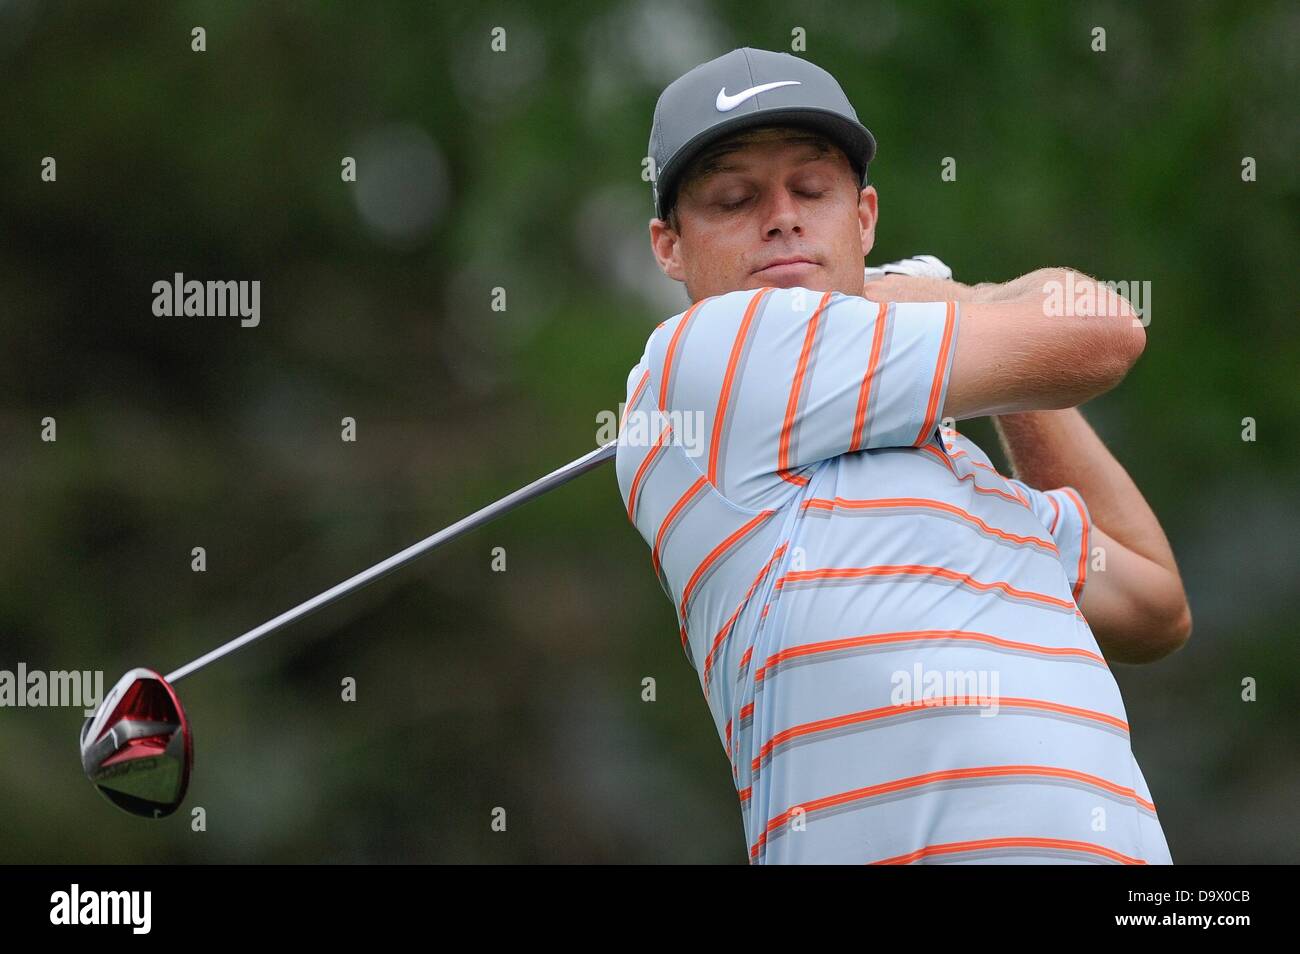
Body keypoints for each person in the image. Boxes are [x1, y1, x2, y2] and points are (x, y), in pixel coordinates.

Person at [616, 47, 1191, 864]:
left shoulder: (960, 470)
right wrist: (966, 305)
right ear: (669, 248)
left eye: (812, 190)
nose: (782, 217)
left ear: (866, 218)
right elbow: (1102, 329)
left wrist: (985, 372)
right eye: (734, 197)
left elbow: (1154, 603)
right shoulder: (702, 362)